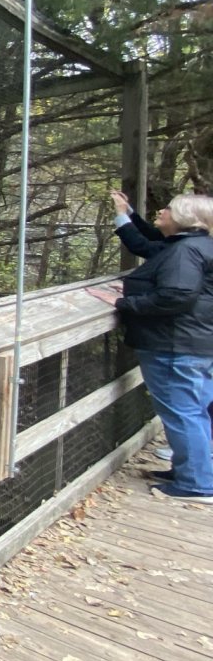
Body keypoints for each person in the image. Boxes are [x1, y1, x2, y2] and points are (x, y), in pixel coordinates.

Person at [89, 193, 213, 503]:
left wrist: (125, 303)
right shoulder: (196, 246)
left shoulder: (187, 251)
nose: (162, 210)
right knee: (194, 411)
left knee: (184, 413)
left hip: (176, 343)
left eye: (169, 209)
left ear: (185, 218)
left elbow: (176, 296)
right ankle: (191, 471)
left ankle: (197, 483)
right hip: (192, 341)